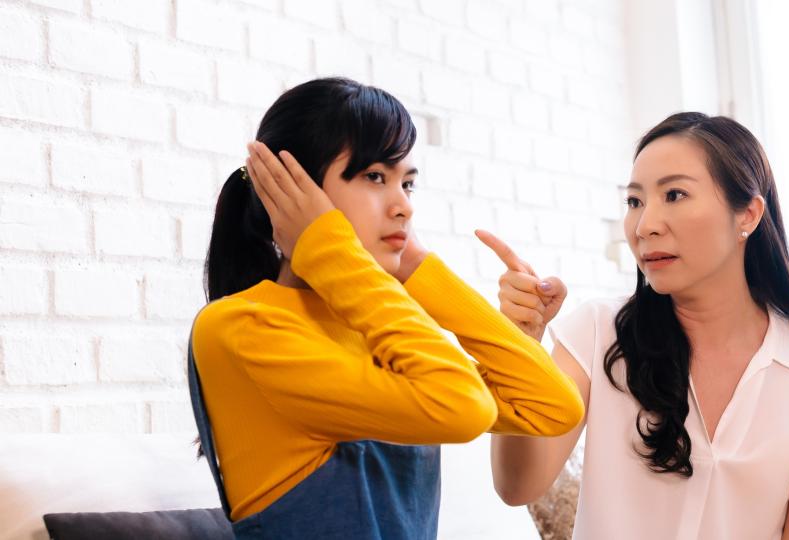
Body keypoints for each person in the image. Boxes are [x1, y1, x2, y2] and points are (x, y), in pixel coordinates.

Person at [188, 77, 584, 539]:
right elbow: (463, 406)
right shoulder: (243, 327)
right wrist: (332, 251)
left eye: (408, 183)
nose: (403, 207)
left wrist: (419, 270)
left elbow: (553, 405)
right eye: (375, 176)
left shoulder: (369, 323)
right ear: (291, 190)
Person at [479, 112, 789, 539]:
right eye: (635, 202)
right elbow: (518, 485)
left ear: (747, 214)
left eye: (674, 194)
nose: (645, 225)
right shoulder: (596, 333)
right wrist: (519, 347)